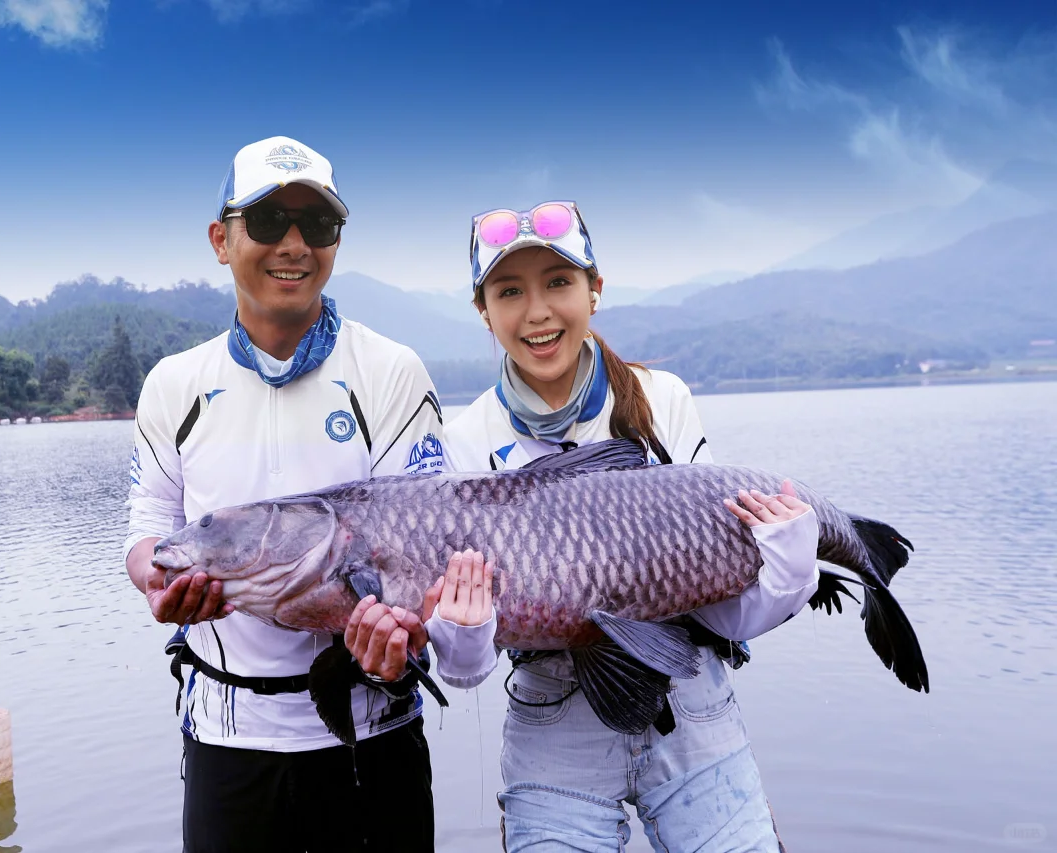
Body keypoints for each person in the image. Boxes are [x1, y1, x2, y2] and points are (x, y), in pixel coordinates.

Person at [350, 200, 822, 853]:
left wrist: (790, 572)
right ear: (483, 311)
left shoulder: (664, 400)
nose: (537, 311)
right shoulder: (460, 447)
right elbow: (466, 668)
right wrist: (461, 632)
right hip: (552, 730)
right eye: (509, 291)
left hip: (695, 712)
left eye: (559, 282)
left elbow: (724, 617)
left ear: (595, 291)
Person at [123, 136, 446, 853]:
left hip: (374, 736)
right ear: (221, 239)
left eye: (318, 224)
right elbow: (147, 530)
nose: (294, 245)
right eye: (269, 222)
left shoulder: (391, 371)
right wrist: (155, 576)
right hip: (226, 740)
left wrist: (402, 628)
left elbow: (430, 546)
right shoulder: (175, 384)